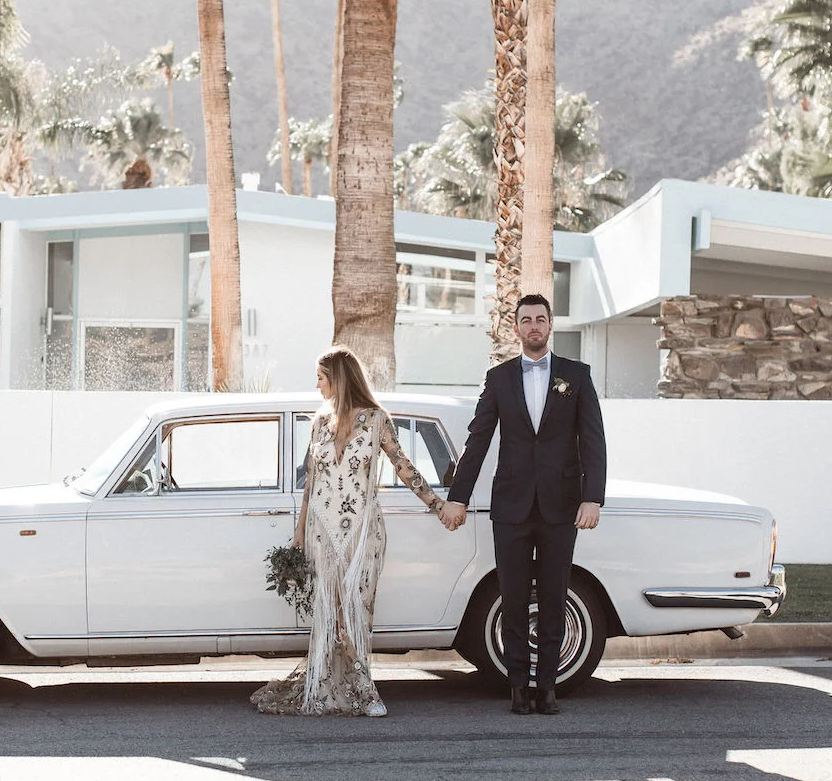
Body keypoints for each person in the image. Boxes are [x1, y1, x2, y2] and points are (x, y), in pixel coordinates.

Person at [252, 346, 450, 717]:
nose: (317, 385)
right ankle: (355, 689)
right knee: (331, 612)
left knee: (356, 609)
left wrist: (437, 504)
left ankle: (362, 687)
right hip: (322, 530)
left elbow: (404, 466)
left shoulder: (376, 420)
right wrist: (299, 532)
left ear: (339, 379)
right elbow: (311, 482)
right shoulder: (319, 422)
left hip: (362, 531)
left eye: (321, 378)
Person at [439, 294, 607, 715]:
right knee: (513, 599)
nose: (534, 326)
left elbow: (593, 439)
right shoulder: (498, 378)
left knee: (554, 597)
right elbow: (478, 439)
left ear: (550, 325)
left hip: (561, 507)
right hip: (511, 507)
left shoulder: (577, 375)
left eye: (540, 319)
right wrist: (457, 497)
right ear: (515, 329)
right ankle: (518, 685)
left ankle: (547, 686)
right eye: (526, 320)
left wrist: (592, 497)